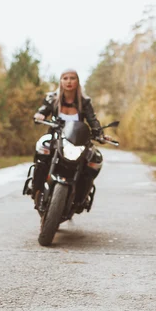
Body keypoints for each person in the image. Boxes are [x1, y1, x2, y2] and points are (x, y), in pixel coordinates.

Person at [31, 68, 107, 209]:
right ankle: (36, 187)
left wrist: (99, 133)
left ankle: (81, 196)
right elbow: (42, 111)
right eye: (65, 78)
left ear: (77, 81)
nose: (69, 81)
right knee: (42, 149)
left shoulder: (84, 102)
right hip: (56, 137)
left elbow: (92, 120)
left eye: (72, 78)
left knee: (93, 159)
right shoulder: (52, 98)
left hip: (77, 140)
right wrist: (39, 115)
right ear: (60, 81)